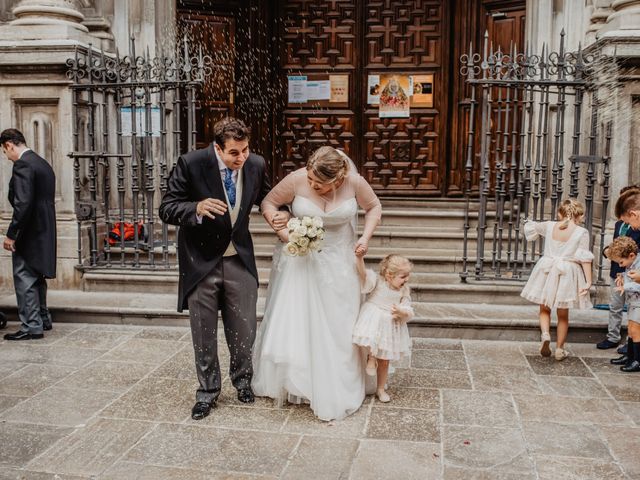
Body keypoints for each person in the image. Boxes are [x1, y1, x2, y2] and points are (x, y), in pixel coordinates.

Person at [159, 117, 284, 420]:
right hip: (201, 262)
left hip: (239, 259)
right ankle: (207, 392)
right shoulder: (191, 163)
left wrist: (279, 215)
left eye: (245, 150)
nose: (241, 158)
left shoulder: (255, 164)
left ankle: (243, 382)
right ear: (217, 148)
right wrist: (196, 208)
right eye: (234, 153)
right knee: (203, 333)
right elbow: (167, 207)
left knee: (244, 329)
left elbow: (269, 199)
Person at [252, 146, 382, 421]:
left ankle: (335, 380)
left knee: (339, 323)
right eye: (310, 179)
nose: (312, 185)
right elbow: (268, 203)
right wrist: (283, 230)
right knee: (300, 320)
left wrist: (365, 238)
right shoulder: (297, 178)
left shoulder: (354, 182)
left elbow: (373, 207)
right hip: (302, 260)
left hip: (341, 263)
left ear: (338, 179)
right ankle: (300, 381)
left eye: (319, 183)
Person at [520, 199, 594, 361]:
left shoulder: (549, 225)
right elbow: (585, 259)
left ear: (560, 214)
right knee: (563, 315)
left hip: (546, 268)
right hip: (566, 272)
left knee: (544, 309)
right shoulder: (581, 232)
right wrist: (588, 282)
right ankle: (560, 349)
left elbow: (531, 227)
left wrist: (526, 220)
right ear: (579, 215)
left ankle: (545, 334)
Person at [1, 128, 55, 341]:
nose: (6, 157)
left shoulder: (23, 164)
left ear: (9, 145)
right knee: (37, 276)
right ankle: (43, 318)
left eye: (5, 152)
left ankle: (32, 326)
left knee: (24, 278)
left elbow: (22, 203)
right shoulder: (42, 163)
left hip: (29, 231)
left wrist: (12, 234)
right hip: (44, 229)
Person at [352, 253, 413, 403]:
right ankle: (371, 357)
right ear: (389, 275)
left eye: (407, 276)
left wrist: (401, 311)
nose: (407, 280)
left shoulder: (404, 291)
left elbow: (408, 309)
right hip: (373, 318)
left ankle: (380, 389)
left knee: (385, 360)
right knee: (373, 336)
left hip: (390, 325)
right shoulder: (378, 282)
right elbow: (363, 275)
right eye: (403, 277)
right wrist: (360, 259)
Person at [596, 185, 640, 351]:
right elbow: (615, 245)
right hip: (618, 270)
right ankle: (614, 338)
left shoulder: (637, 227)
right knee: (615, 306)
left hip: (633, 271)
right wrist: (607, 251)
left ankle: (632, 346)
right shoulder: (618, 225)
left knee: (634, 310)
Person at [605, 237, 640, 372]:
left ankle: (637, 360)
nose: (620, 265)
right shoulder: (631, 262)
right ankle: (629, 356)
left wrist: (625, 287)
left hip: (639, 302)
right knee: (631, 330)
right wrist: (622, 276)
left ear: (631, 255)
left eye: (621, 262)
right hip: (633, 302)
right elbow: (629, 275)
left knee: (636, 331)